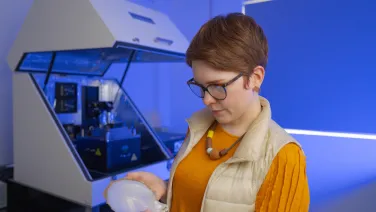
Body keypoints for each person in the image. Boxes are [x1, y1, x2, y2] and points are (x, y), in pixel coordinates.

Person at [105, 12, 310, 212]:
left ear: (255, 77)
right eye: (201, 86)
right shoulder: (199, 129)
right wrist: (165, 192)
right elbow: (202, 198)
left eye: (218, 86)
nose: (206, 99)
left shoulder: (284, 156)